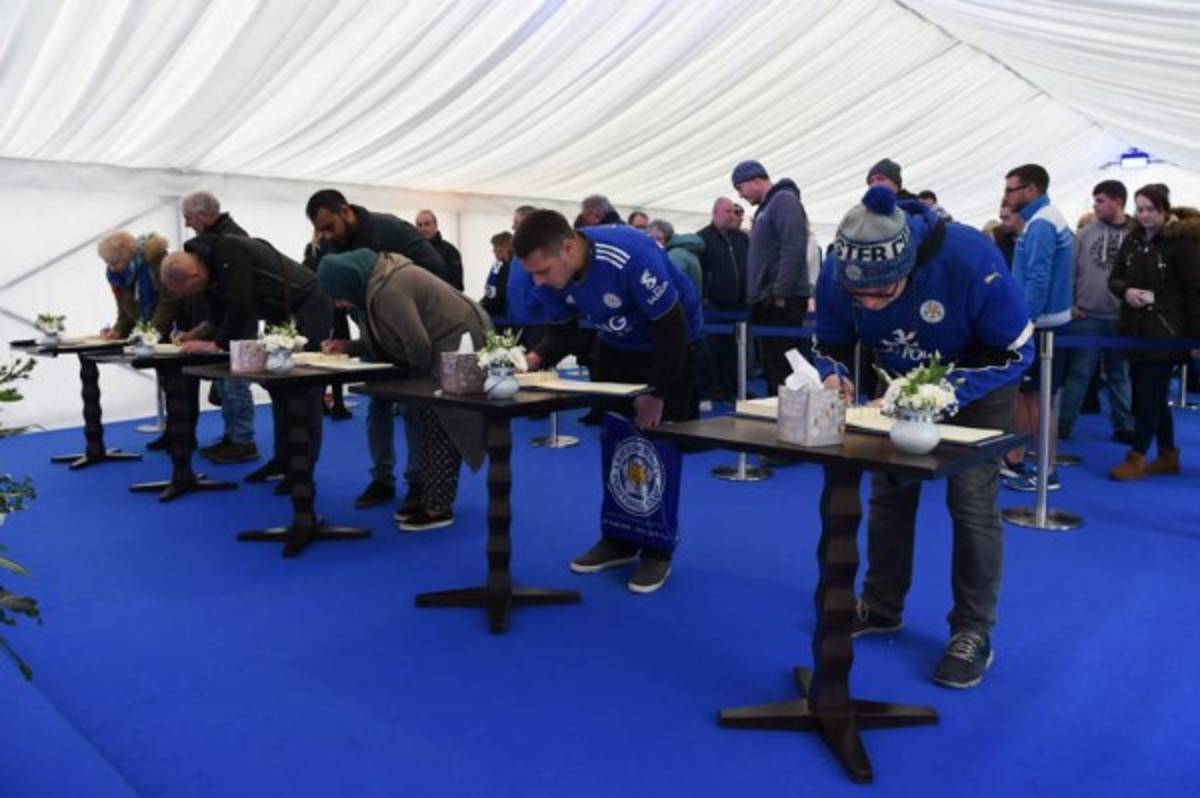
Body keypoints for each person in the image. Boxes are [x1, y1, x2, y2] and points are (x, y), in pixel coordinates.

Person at [814, 186, 1033, 689]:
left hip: (977, 382)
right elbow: (829, 339)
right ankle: (883, 604)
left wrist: (939, 392)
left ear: (909, 267)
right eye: (858, 295)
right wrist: (833, 372)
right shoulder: (837, 268)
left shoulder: (970, 258)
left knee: (971, 500)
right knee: (889, 492)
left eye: (880, 293)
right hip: (891, 382)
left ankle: (973, 629)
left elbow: (1016, 351)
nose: (867, 302)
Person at [515, 210, 702, 593]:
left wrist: (657, 392)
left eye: (543, 271)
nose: (539, 282)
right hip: (617, 346)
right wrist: (528, 361)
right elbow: (562, 335)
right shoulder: (551, 277)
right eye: (532, 274)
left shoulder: (630, 255)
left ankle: (657, 550)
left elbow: (672, 328)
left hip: (672, 342)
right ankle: (618, 538)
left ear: (568, 247)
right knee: (616, 440)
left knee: (658, 444)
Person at [318, 249, 492, 529]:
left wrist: (414, 386)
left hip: (458, 347)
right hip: (450, 344)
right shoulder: (376, 286)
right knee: (434, 422)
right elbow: (391, 338)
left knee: (441, 424)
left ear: (349, 282)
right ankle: (433, 499)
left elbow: (417, 344)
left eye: (338, 295)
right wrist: (348, 346)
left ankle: (438, 508)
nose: (339, 304)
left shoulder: (388, 291)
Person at [304, 189, 447, 514]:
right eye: (320, 231)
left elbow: (438, 272)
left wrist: (405, 309)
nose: (325, 236)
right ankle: (382, 478)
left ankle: (418, 481)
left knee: (414, 407)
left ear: (346, 211)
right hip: (373, 327)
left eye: (328, 227)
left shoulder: (390, 231)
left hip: (411, 328)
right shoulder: (331, 241)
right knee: (378, 406)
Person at [160, 236, 333, 491]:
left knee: (305, 385)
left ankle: (302, 470)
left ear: (194, 276)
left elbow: (240, 306)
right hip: (280, 311)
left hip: (308, 302)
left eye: (190, 292)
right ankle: (283, 459)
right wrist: (194, 334)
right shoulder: (208, 266)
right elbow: (217, 314)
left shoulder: (227, 252)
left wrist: (216, 345)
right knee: (279, 388)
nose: (193, 297)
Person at [1107, 185, 1200, 480]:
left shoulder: (1181, 245)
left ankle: (1136, 456)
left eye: (1151, 209)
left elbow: (1193, 293)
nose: (1145, 215)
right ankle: (1167, 453)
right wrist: (1127, 291)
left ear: (1164, 210)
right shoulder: (1132, 242)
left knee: (1148, 395)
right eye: (1140, 208)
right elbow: (1114, 279)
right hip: (1134, 329)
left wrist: (1195, 337)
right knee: (1152, 395)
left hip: (1167, 332)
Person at [1000, 164, 1073, 492]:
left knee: (1035, 400)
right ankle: (1032, 464)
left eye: (1011, 190)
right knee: (1034, 398)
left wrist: (1023, 322)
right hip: (1043, 323)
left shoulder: (1043, 222)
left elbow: (1038, 276)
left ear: (1030, 190)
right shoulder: (1045, 218)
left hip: (1040, 325)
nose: (1006, 197)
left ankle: (1043, 469)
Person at [177, 193, 258, 464]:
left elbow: (236, 298)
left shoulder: (230, 241)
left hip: (240, 326)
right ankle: (233, 437)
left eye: (188, 217)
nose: (187, 224)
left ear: (204, 215)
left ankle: (243, 442)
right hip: (229, 324)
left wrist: (214, 337)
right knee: (226, 387)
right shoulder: (221, 238)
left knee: (235, 387)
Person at [1057, 180, 1136, 443]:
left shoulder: (1138, 233)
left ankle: (1124, 424)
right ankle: (1063, 425)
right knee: (1079, 374)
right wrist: (1070, 305)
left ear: (1117, 201)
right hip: (1087, 315)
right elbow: (1070, 273)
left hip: (1124, 317)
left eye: (1100, 200)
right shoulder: (1085, 234)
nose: (1095, 205)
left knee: (1119, 374)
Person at [732, 159, 812, 396]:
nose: (739, 194)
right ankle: (775, 407)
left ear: (756, 180)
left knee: (782, 363)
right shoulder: (767, 207)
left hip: (780, 300)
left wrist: (780, 292)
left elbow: (793, 247)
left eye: (740, 187)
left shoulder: (784, 201)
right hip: (768, 298)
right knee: (772, 362)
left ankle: (786, 411)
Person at [697, 197, 750, 402]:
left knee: (736, 351)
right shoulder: (702, 239)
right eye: (727, 212)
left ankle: (734, 388)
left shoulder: (742, 239)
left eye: (734, 212)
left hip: (739, 305)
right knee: (712, 349)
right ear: (715, 213)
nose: (732, 216)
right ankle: (712, 389)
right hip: (714, 306)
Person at [96, 231, 185, 341]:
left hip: (173, 331)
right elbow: (124, 311)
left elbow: (169, 300)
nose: (112, 268)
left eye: (115, 263)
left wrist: (151, 332)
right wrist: (118, 330)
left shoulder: (155, 261)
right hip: (147, 333)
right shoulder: (118, 276)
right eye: (108, 263)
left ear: (127, 254)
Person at [647, 219, 704, 292]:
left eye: (658, 238)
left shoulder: (675, 256)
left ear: (667, 238)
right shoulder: (684, 250)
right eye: (650, 238)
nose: (653, 242)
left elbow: (671, 286)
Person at [415, 209, 464, 290]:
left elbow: (457, 286)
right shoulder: (413, 252)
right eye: (419, 225)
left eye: (427, 224)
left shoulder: (451, 252)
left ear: (435, 225)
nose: (423, 228)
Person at [480, 232, 514, 321]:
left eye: (495, 247)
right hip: (492, 314)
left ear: (504, 248)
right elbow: (490, 290)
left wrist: (484, 306)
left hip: (502, 317)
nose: (493, 251)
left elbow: (501, 294)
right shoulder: (497, 265)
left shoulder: (510, 267)